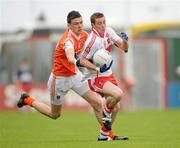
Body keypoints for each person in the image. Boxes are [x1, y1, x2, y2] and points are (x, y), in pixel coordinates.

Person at [17, 10, 111, 141]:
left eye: (81, 23)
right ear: (69, 26)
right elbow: (71, 57)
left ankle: (108, 136)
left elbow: (90, 50)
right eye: (76, 24)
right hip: (59, 80)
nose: (79, 26)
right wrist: (84, 63)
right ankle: (27, 100)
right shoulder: (67, 41)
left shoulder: (84, 35)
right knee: (55, 114)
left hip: (76, 76)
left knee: (97, 103)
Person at [79, 12, 129, 140]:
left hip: (108, 73)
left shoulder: (109, 32)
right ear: (93, 25)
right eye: (99, 23)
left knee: (116, 107)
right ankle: (106, 109)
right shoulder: (92, 41)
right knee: (118, 94)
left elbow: (124, 49)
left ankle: (104, 135)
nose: (103, 25)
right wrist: (97, 67)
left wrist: (125, 41)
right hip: (95, 76)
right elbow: (81, 61)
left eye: (104, 22)